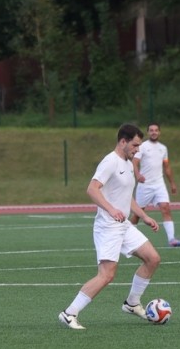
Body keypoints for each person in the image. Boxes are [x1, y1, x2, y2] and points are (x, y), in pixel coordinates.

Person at [58, 123, 161, 330]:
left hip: (123, 226)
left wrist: (143, 216)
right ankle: (69, 313)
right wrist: (111, 209)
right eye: (135, 145)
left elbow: (127, 197)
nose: (137, 150)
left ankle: (132, 303)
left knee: (153, 259)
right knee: (106, 275)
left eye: (139, 146)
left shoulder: (128, 163)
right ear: (123, 142)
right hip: (108, 227)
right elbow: (92, 189)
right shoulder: (110, 162)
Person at [129, 122, 180, 247]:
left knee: (165, 208)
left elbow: (167, 167)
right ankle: (127, 236)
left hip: (159, 184)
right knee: (138, 214)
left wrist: (172, 183)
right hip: (145, 185)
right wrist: (137, 175)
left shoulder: (163, 148)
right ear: (148, 132)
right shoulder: (142, 146)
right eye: (151, 130)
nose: (154, 132)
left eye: (156, 130)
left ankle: (172, 239)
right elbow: (134, 162)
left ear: (159, 132)